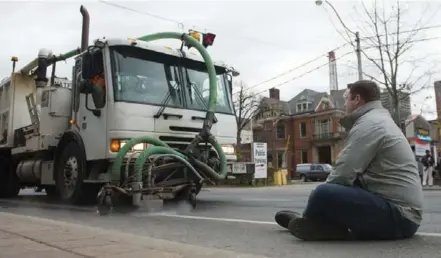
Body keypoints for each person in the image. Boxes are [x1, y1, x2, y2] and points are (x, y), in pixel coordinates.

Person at [275, 80, 423, 241]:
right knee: (340, 190)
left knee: (322, 193)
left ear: (357, 99)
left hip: (400, 217)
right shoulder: (377, 119)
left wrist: (318, 201)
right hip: (399, 212)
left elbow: (342, 174)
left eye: (347, 99)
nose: (344, 104)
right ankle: (325, 226)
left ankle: (313, 224)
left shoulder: (370, 124)